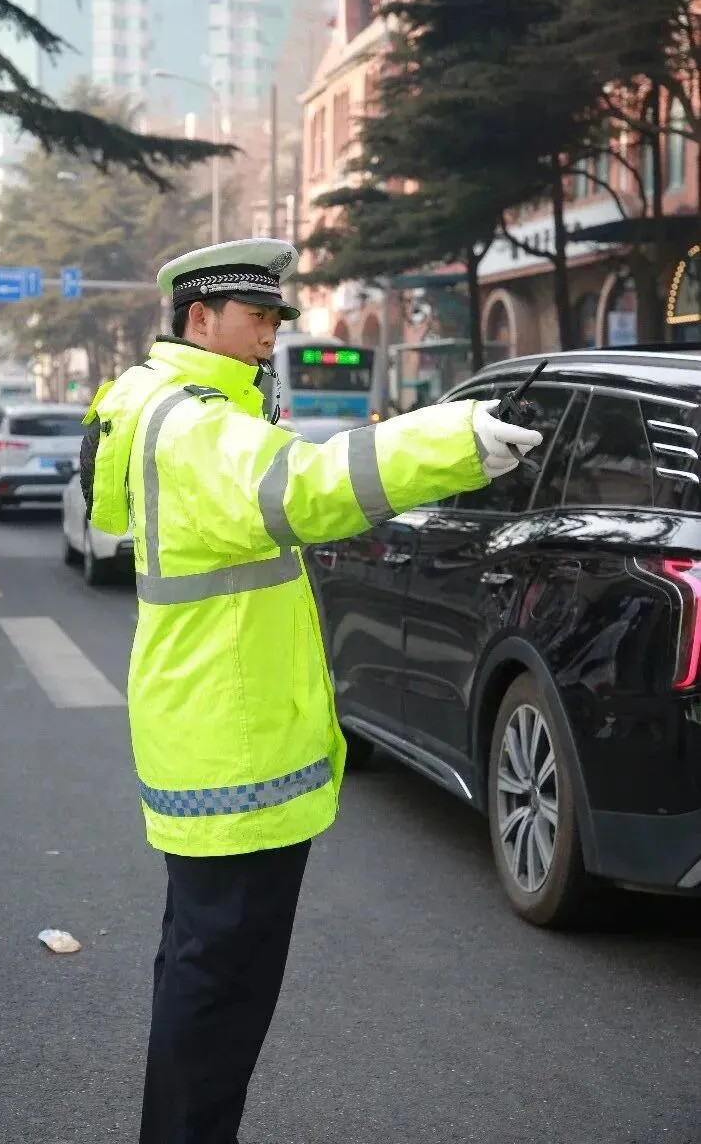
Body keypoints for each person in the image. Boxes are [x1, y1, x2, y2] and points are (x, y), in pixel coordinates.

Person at [81, 238, 542, 1144]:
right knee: (218, 989)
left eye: (275, 318)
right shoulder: (195, 424)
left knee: (202, 974)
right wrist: (450, 440)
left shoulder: (180, 406)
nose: (271, 335)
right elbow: (306, 487)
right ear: (199, 318)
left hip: (211, 729)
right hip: (231, 744)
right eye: (256, 317)